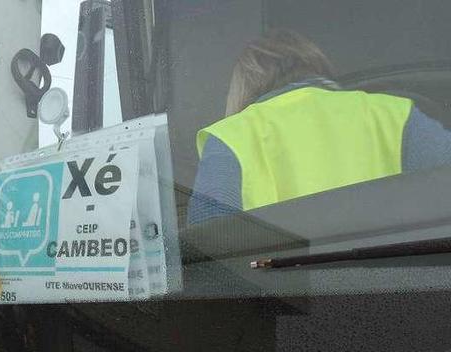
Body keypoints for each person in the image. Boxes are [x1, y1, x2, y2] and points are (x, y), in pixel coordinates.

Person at [188, 29, 451, 224]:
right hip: (399, 286)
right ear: (316, 68)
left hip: (288, 294)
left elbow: (210, 249)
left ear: (242, 88)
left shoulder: (232, 137)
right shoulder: (396, 116)